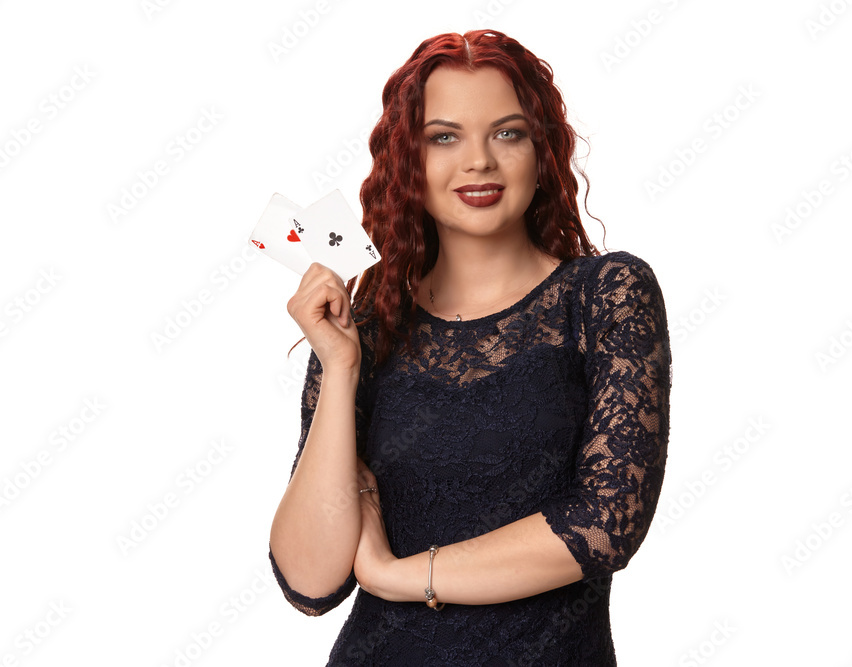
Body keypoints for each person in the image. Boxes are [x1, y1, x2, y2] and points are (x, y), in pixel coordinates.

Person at [268, 28, 672, 666]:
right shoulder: (363, 328)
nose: (479, 160)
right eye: (444, 136)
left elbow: (606, 523)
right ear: (409, 161)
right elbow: (310, 583)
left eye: (507, 132)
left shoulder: (605, 294)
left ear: (541, 152)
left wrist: (396, 575)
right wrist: (341, 367)